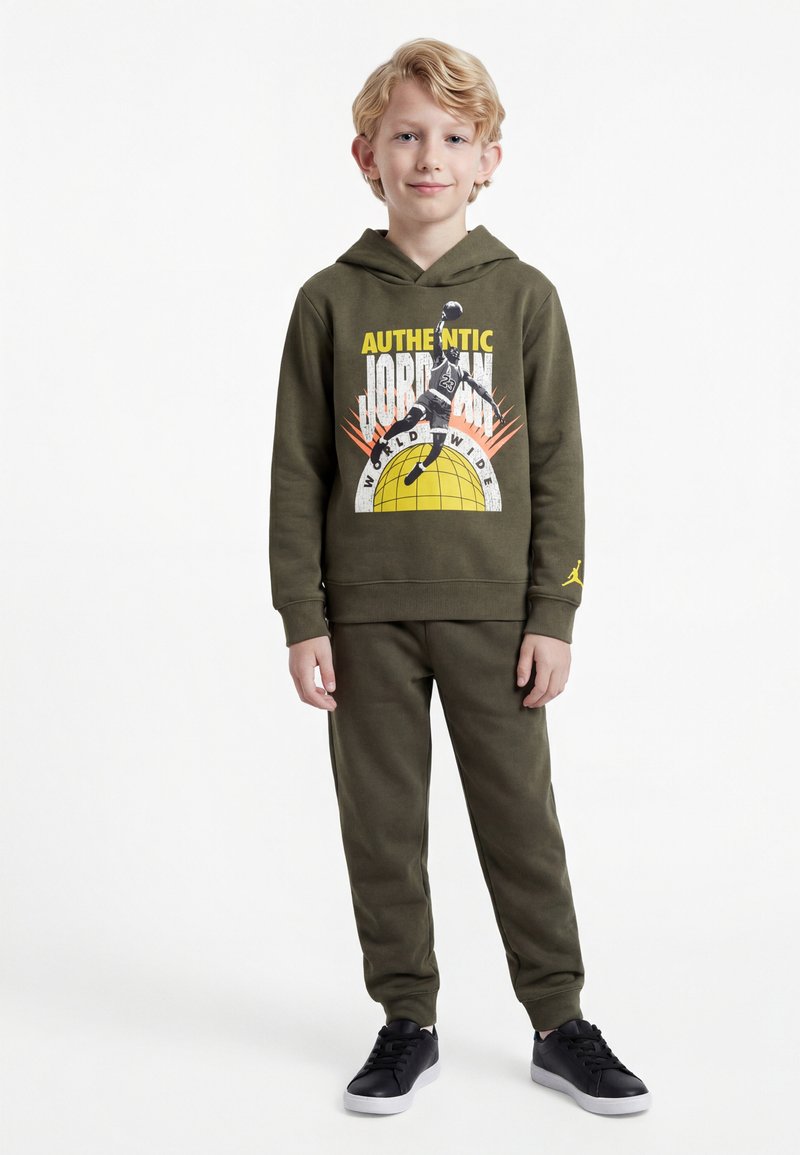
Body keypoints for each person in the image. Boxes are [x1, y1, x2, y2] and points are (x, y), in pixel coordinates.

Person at [268, 37, 651, 1117]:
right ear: (366, 156)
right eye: (405, 135)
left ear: (488, 160)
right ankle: (406, 1018)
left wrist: (554, 609)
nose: (427, 156)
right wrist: (303, 614)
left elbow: (558, 463)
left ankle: (558, 1021)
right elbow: (298, 468)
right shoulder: (328, 301)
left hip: (496, 618)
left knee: (520, 823)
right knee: (382, 829)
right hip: (364, 621)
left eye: (451, 136)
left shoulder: (522, 297)